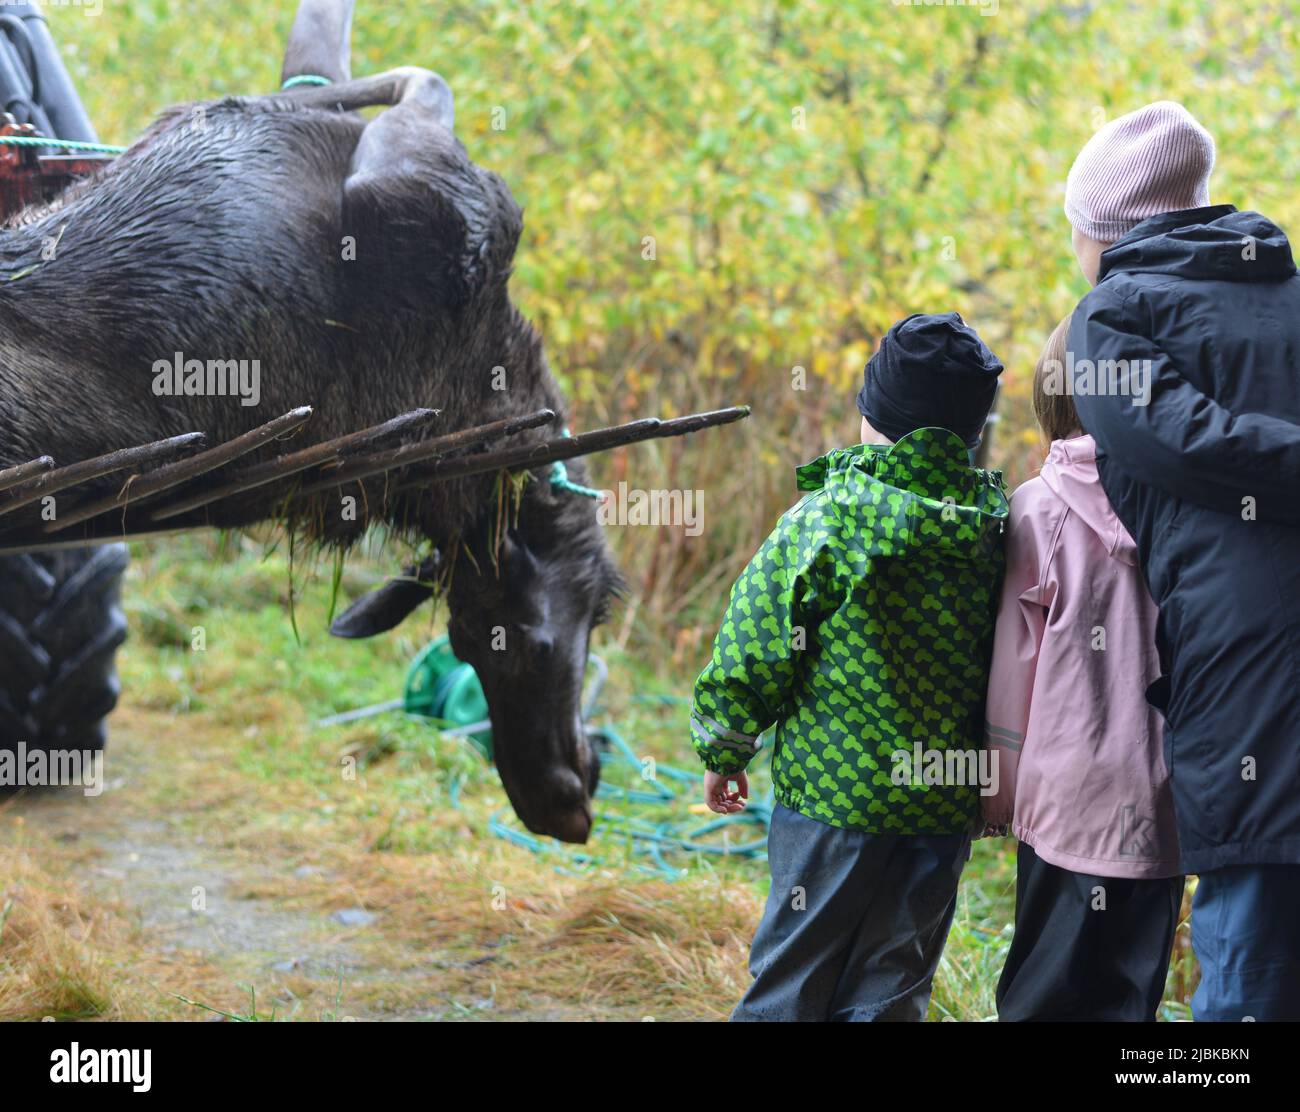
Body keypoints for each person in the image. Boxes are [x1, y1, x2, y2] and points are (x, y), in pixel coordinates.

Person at [691, 312, 1008, 1021]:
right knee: (894, 980)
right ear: (973, 430)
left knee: (795, 969)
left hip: (837, 798)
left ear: (873, 413)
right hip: (940, 796)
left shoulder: (827, 521)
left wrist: (724, 748)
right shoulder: (996, 530)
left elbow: (754, 646)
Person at [1065, 100, 1300, 1021]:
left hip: (1246, 670)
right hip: (1252, 674)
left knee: (1249, 965)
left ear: (1105, 228)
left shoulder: (1111, 320)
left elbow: (1183, 443)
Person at [983, 316, 1182, 1021]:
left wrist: (998, 795)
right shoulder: (1188, 507)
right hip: (1161, 800)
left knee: (1042, 989)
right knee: (1131, 999)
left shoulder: (1036, 512)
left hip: (1065, 798)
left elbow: (1015, 669)